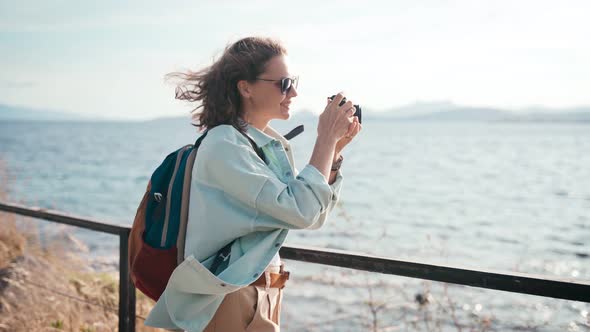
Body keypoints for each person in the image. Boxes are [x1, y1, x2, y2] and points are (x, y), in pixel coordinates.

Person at [144, 36, 361, 332]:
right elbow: (302, 210)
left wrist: (332, 153)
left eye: (293, 81)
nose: (294, 92)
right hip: (232, 297)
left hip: (261, 291)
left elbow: (313, 213)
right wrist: (325, 139)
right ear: (245, 87)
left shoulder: (261, 145)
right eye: (284, 83)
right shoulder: (224, 145)